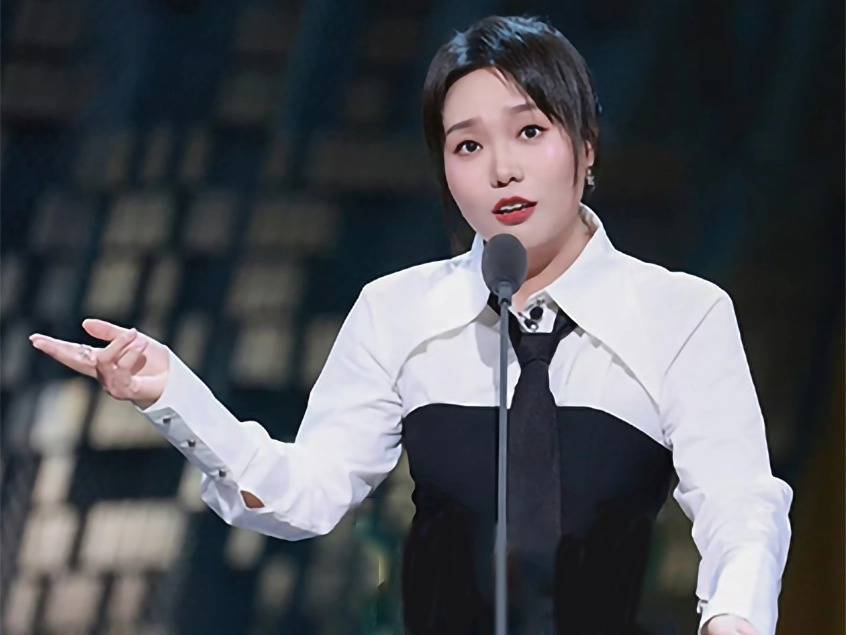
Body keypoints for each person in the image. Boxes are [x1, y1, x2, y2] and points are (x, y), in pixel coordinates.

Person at [29, 14, 792, 635]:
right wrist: (174, 395)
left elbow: (740, 506)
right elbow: (308, 494)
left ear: (586, 146)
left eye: (529, 132)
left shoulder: (681, 315)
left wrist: (733, 616)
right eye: (468, 145)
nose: (501, 169)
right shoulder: (397, 311)